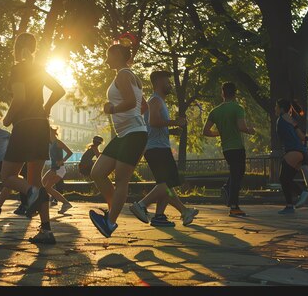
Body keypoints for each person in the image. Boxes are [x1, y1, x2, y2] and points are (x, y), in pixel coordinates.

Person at [0, 32, 65, 244]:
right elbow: (60, 89)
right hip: (41, 125)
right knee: (36, 180)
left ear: (16, 48)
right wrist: (47, 106)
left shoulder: (18, 68)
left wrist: (7, 118)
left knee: (8, 176)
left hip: (24, 126)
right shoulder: (39, 69)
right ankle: (46, 231)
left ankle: (31, 193)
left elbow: (20, 98)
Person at [88, 33, 149, 238]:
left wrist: (113, 109)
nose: (106, 60)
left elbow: (132, 103)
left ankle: (110, 222)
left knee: (121, 180)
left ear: (118, 56)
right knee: (97, 173)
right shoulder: (130, 76)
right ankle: (112, 210)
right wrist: (128, 119)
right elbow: (143, 106)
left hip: (134, 135)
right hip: (125, 134)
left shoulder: (123, 74)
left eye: (108, 56)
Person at [128, 71, 199, 227]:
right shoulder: (155, 100)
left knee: (167, 185)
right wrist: (175, 122)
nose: (170, 85)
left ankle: (161, 216)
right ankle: (141, 205)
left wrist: (171, 130)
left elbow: (154, 125)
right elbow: (153, 121)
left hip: (158, 147)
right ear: (159, 82)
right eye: (168, 82)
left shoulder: (158, 101)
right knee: (165, 185)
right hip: (156, 148)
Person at [202, 82, 255, 217]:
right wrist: (250, 130)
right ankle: (234, 206)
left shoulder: (215, 111)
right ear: (235, 93)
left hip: (226, 148)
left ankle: (226, 189)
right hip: (237, 146)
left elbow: (206, 131)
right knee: (237, 175)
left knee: (235, 173)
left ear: (222, 94)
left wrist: (219, 133)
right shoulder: (238, 108)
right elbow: (241, 127)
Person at [275, 99, 308, 214]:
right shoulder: (291, 119)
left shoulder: (283, 117)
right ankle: (294, 201)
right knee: (287, 179)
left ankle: (298, 198)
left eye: (276, 106)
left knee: (283, 179)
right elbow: (302, 137)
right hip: (300, 152)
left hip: (293, 151)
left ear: (281, 108)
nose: (275, 109)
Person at [43, 126, 74, 214]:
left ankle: (63, 203)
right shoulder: (51, 143)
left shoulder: (58, 142)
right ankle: (65, 203)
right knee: (46, 186)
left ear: (52, 132)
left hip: (59, 169)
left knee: (44, 185)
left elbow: (70, 152)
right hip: (54, 168)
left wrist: (62, 161)